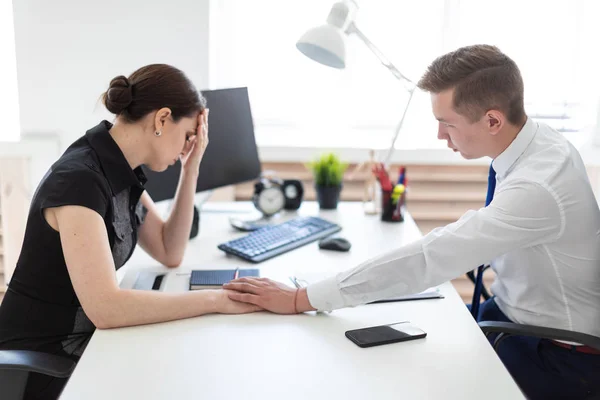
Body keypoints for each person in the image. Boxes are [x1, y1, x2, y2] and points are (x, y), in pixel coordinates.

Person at [224, 45, 600, 399]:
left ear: (492, 120)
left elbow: (433, 257)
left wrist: (299, 299)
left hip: (553, 353)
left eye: (446, 123)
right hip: (510, 316)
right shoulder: (535, 141)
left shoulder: (538, 186)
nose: (440, 135)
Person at [0, 64, 260, 399]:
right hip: (46, 362)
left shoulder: (120, 169)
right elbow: (107, 308)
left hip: (89, 345)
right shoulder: (80, 180)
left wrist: (191, 167)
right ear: (162, 119)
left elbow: (169, 250)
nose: (188, 145)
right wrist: (214, 299)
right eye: (187, 136)